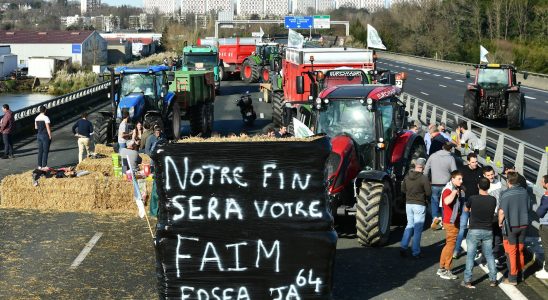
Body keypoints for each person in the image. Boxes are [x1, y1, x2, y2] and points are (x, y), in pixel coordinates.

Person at [461, 177, 498, 288]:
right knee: (489, 255)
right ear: (489, 186)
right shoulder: (493, 199)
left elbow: (466, 210)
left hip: (474, 230)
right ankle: (493, 279)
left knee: (470, 256)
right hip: (488, 230)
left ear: (478, 186)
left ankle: (467, 280)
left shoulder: (472, 198)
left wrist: (472, 209)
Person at [499, 171, 531, 285]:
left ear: (508, 181)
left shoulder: (506, 194)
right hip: (524, 225)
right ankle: (521, 274)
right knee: (520, 250)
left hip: (512, 226)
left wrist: (500, 223)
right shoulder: (525, 192)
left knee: (512, 252)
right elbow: (528, 207)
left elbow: (502, 212)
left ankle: (512, 277)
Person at [400, 158, 431, 258]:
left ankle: (403, 246)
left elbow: (403, 189)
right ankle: (415, 252)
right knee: (417, 230)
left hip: (408, 204)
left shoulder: (407, 176)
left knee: (409, 225)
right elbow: (428, 193)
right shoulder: (424, 178)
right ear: (423, 166)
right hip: (419, 204)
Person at [454, 153, 483, 258]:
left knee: (473, 228)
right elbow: (457, 183)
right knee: (462, 227)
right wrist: (462, 190)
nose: (475, 164)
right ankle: (456, 250)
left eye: (476, 161)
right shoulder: (463, 170)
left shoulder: (480, 170)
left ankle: (473, 251)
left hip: (476, 203)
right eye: (473, 162)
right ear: (468, 162)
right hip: (465, 202)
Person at [437, 170, 465, 280]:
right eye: (459, 179)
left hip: (451, 220)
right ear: (452, 179)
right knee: (450, 246)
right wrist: (454, 193)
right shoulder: (448, 189)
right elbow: (447, 201)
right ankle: (446, 269)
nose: (461, 181)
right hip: (451, 222)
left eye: (461, 179)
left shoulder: (453, 187)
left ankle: (442, 268)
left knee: (448, 245)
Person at [425, 142, 457, 230]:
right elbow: (455, 172)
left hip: (434, 183)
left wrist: (426, 181)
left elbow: (426, 170)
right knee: (445, 203)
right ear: (450, 149)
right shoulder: (451, 158)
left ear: (443, 147)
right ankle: (444, 221)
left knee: (434, 201)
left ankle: (435, 218)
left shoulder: (433, 156)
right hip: (446, 185)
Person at [483, 166, 505, 266]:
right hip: (488, 215)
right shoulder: (483, 186)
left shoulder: (499, 183)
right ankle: (486, 256)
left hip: (498, 214)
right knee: (488, 237)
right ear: (484, 176)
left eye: (492, 174)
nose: (491, 177)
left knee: (497, 237)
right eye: (488, 175)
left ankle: (495, 256)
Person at [535, 175, 548, 279]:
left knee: (547, 248)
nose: (541, 183)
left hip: (546, 225)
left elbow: (540, 212)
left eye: (542, 181)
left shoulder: (546, 197)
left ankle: (547, 270)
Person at [35, 105, 52, 170]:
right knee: (45, 151)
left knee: (40, 151)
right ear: (45, 110)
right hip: (45, 135)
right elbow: (48, 127)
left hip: (39, 135)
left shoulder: (36, 118)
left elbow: (36, 127)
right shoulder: (46, 117)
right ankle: (44, 165)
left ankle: (39, 166)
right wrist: (50, 135)